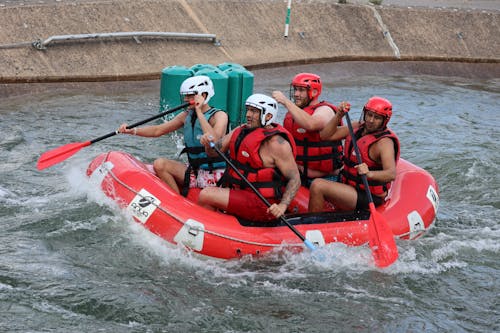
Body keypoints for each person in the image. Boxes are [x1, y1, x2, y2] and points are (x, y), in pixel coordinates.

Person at [198, 93, 301, 222]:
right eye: (248, 110)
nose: (248, 115)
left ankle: (205, 230)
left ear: (268, 116)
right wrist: (208, 144)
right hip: (240, 193)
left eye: (254, 111)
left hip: (262, 203)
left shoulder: (277, 144)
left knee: (206, 194)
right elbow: (214, 152)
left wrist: (282, 205)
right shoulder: (240, 130)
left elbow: (295, 179)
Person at [118, 75, 228, 195]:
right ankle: (177, 200)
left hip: (215, 172)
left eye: (190, 95)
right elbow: (158, 130)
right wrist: (133, 131)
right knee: (160, 164)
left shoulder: (219, 115)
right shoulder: (186, 115)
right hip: (194, 170)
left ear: (203, 95)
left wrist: (199, 111)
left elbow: (214, 139)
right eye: (185, 96)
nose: (186, 99)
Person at [308, 96, 400, 212]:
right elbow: (326, 136)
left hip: (369, 195)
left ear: (384, 120)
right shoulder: (358, 127)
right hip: (349, 186)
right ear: (364, 113)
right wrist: (339, 115)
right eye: (369, 115)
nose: (371, 120)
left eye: (377, 118)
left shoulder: (384, 143)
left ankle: (313, 225)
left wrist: (369, 174)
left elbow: (391, 174)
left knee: (317, 185)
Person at [272, 73, 344, 187]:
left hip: (326, 179)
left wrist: (286, 101)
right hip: (298, 177)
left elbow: (311, 124)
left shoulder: (325, 109)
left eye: (301, 90)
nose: (296, 94)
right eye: (295, 89)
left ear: (314, 92)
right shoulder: (294, 114)